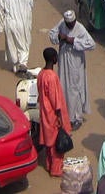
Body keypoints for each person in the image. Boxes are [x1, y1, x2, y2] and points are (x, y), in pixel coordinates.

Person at [50, 10, 97, 128]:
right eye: (67, 24)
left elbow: (92, 44)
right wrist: (58, 37)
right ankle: (65, 114)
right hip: (63, 59)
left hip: (75, 63)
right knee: (63, 86)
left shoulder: (80, 28)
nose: (69, 26)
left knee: (74, 89)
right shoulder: (62, 23)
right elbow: (52, 34)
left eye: (71, 24)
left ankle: (76, 118)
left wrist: (74, 41)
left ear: (75, 21)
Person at [37, 47, 72, 177]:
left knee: (48, 142)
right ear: (54, 59)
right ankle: (56, 170)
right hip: (52, 114)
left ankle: (48, 164)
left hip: (44, 113)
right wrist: (59, 118)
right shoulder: (52, 77)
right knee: (57, 143)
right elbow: (55, 100)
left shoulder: (41, 74)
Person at [0, 0, 34, 72]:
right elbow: (31, 5)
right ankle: (23, 63)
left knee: (12, 45)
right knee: (24, 44)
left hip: (10, 24)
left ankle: (16, 66)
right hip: (24, 23)